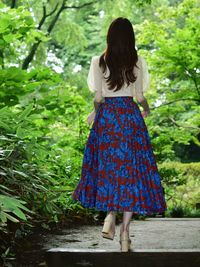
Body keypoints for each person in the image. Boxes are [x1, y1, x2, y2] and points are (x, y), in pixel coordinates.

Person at [71, 17, 167, 252]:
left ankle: (109, 215)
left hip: (108, 120)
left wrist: (96, 115)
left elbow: (97, 98)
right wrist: (146, 110)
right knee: (131, 173)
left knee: (108, 168)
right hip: (130, 119)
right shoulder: (137, 62)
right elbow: (140, 96)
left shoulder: (98, 61)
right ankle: (125, 235)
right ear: (130, 38)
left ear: (110, 37)